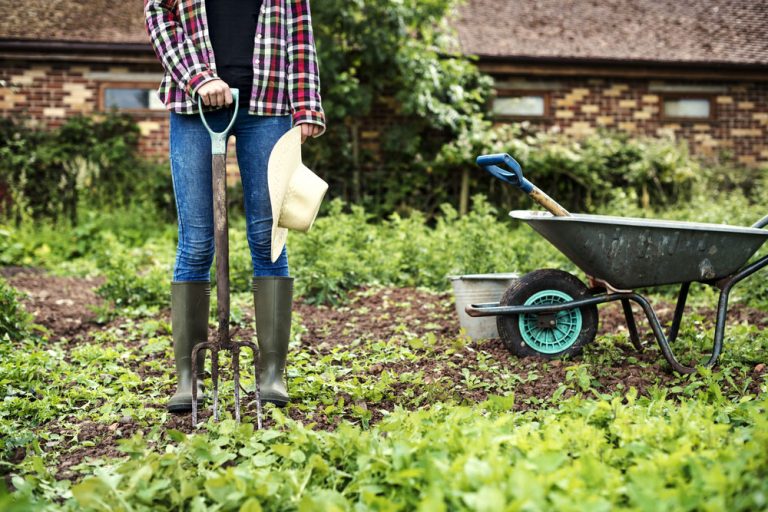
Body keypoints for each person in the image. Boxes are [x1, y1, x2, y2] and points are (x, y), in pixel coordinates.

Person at [144, 0, 325, 413]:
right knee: (196, 242)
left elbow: (299, 35)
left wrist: (307, 103)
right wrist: (198, 77)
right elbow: (158, 13)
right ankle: (188, 378)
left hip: (268, 106)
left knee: (268, 237)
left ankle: (272, 372)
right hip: (194, 107)